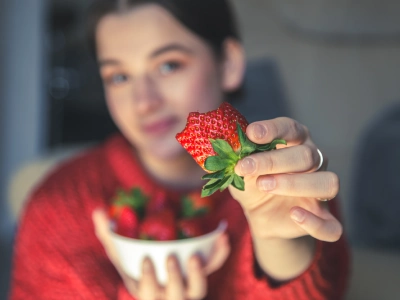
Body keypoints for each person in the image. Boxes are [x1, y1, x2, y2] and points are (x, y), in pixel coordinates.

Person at [9, 0, 349, 299]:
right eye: (118, 76)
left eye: (168, 65)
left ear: (228, 63)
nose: (144, 101)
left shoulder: (290, 181)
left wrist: (281, 243)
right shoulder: (57, 206)